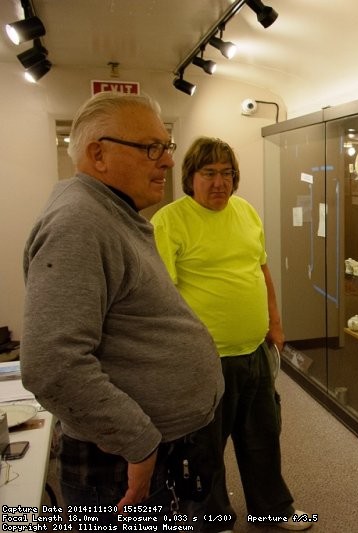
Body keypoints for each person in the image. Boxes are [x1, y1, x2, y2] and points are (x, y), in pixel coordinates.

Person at [20, 92, 224, 524]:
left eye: (165, 147)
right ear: (99, 154)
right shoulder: (79, 223)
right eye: (152, 148)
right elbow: (52, 364)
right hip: (118, 461)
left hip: (148, 447)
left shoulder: (110, 214)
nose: (168, 162)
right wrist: (139, 442)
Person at [151, 137, 311, 531]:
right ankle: (213, 520)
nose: (220, 182)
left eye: (227, 173)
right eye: (209, 173)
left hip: (254, 350)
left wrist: (275, 323)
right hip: (204, 360)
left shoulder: (246, 213)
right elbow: (162, 297)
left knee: (263, 437)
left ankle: (272, 509)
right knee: (205, 447)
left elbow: (262, 271)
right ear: (190, 177)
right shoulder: (169, 221)